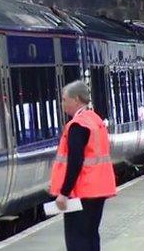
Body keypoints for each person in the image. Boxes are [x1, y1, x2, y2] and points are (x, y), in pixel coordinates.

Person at [50, 80, 117, 251]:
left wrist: (64, 193)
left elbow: (75, 161)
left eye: (65, 99)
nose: (62, 103)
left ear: (77, 99)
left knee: (77, 241)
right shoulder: (95, 120)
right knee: (91, 236)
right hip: (98, 189)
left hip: (82, 192)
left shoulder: (78, 125)